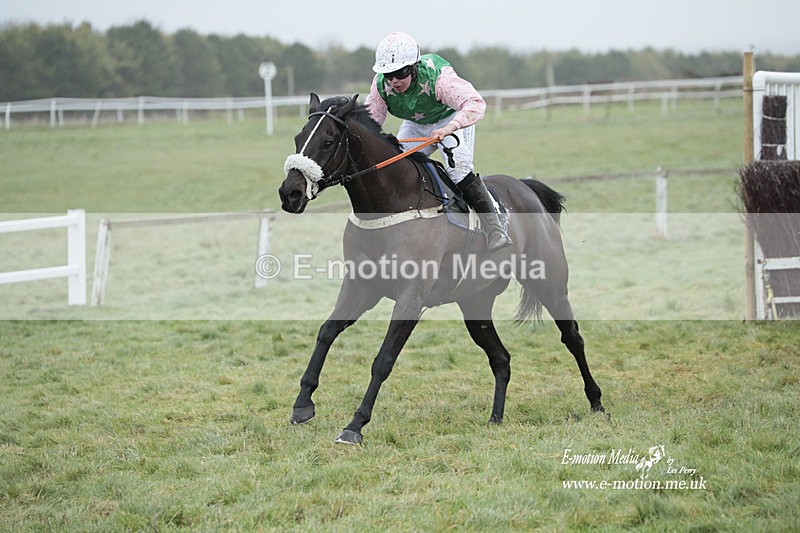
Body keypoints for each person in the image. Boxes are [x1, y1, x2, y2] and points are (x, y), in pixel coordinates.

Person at [364, 31, 511, 251]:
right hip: (415, 125)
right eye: (389, 75)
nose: (394, 81)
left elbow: (475, 103)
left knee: (458, 171)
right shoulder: (381, 86)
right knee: (398, 168)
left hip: (451, 118)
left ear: (413, 67)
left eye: (400, 73)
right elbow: (370, 122)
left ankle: (496, 227)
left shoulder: (438, 78)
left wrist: (448, 128)